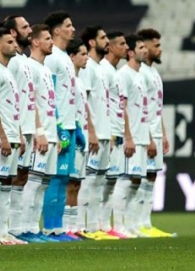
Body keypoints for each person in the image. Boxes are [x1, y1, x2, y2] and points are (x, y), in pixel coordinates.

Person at [40, 11, 79, 241]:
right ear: (56, 31)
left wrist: (77, 128)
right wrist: (58, 125)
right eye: (68, 25)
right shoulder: (53, 56)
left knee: (64, 179)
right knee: (54, 177)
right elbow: (50, 95)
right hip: (60, 126)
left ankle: (58, 227)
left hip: (70, 126)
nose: (72, 29)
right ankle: (49, 228)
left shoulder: (63, 56)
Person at [0, 28, 25, 245]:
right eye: (10, 41)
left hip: (11, 134)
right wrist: (2, 136)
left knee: (7, 183)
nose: (15, 45)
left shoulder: (7, 70)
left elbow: (12, 107)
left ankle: (4, 232)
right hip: (0, 136)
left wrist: (18, 134)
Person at [78, 26, 118, 240]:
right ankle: (82, 226)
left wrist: (108, 132)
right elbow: (83, 101)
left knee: (99, 182)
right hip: (92, 134)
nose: (107, 42)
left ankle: (95, 227)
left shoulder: (102, 68)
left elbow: (105, 105)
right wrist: (91, 132)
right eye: (103, 38)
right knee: (88, 181)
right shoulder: (88, 68)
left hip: (103, 134)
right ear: (92, 42)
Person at [0, 16, 37, 240]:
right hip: (15, 128)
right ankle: (9, 229)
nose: (29, 30)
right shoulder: (11, 62)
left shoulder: (22, 59)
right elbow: (9, 100)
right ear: (13, 33)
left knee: (21, 177)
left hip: (27, 127)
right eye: (25, 27)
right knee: (9, 178)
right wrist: (18, 130)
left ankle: (17, 227)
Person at [17, 25, 55, 243]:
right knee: (32, 181)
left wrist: (54, 134)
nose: (51, 42)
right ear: (36, 42)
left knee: (43, 183)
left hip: (49, 133)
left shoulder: (46, 69)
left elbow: (49, 104)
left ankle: (34, 227)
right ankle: (25, 227)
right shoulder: (30, 67)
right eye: (47, 38)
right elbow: (31, 103)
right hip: (38, 133)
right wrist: (40, 131)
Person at [136, 28, 174, 238]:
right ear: (144, 46)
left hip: (155, 133)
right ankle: (135, 223)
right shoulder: (139, 73)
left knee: (151, 177)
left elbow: (156, 107)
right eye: (156, 46)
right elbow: (140, 108)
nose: (159, 50)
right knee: (138, 178)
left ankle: (146, 222)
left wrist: (163, 133)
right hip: (144, 133)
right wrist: (149, 135)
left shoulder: (154, 72)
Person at [111, 35, 151, 238]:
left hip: (142, 135)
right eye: (141, 47)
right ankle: (118, 225)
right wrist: (128, 137)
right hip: (132, 136)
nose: (146, 50)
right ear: (131, 53)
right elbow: (122, 107)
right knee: (125, 179)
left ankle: (130, 223)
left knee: (136, 181)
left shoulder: (140, 75)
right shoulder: (124, 75)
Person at [99, 32, 129, 238]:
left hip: (117, 132)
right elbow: (102, 105)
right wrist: (107, 132)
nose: (126, 47)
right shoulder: (103, 70)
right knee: (98, 181)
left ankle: (105, 224)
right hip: (107, 133)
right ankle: (93, 224)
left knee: (110, 182)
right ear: (110, 47)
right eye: (122, 43)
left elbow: (120, 106)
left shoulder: (115, 72)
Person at [65, 39, 91, 238]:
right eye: (82, 54)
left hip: (81, 134)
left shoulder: (81, 80)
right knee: (69, 182)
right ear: (72, 56)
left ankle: (74, 227)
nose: (86, 57)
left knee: (77, 183)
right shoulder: (69, 80)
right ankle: (66, 227)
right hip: (72, 134)